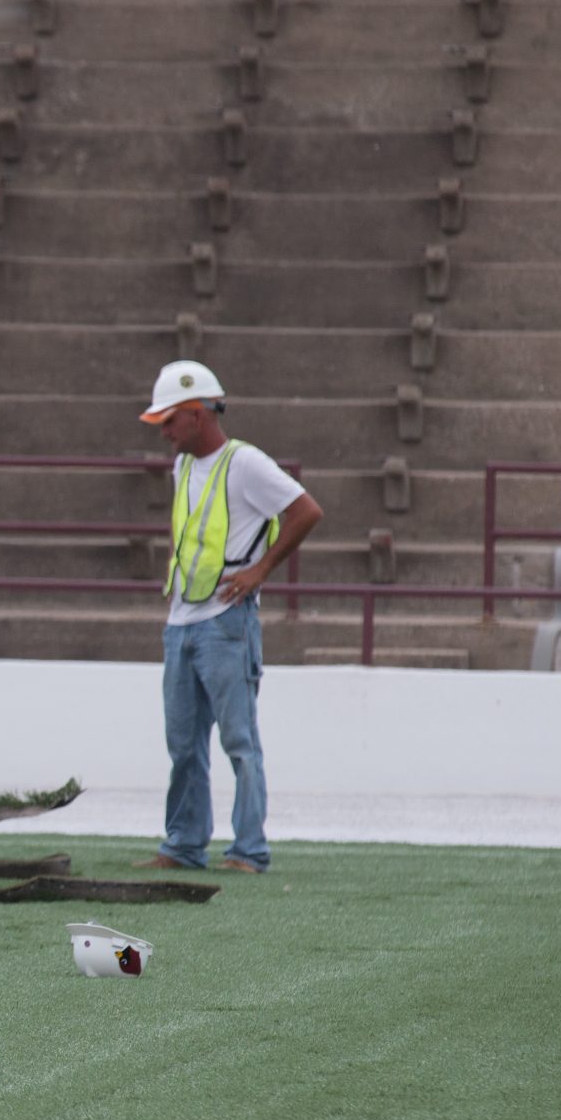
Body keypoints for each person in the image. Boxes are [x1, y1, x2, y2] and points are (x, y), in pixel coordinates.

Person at [133, 360, 322, 874]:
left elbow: (306, 510)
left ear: (197, 413)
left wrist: (260, 571)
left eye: (169, 420)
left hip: (226, 623)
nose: (164, 431)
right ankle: (184, 846)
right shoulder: (183, 467)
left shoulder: (246, 464)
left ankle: (248, 850)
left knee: (239, 741)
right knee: (183, 745)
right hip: (183, 622)